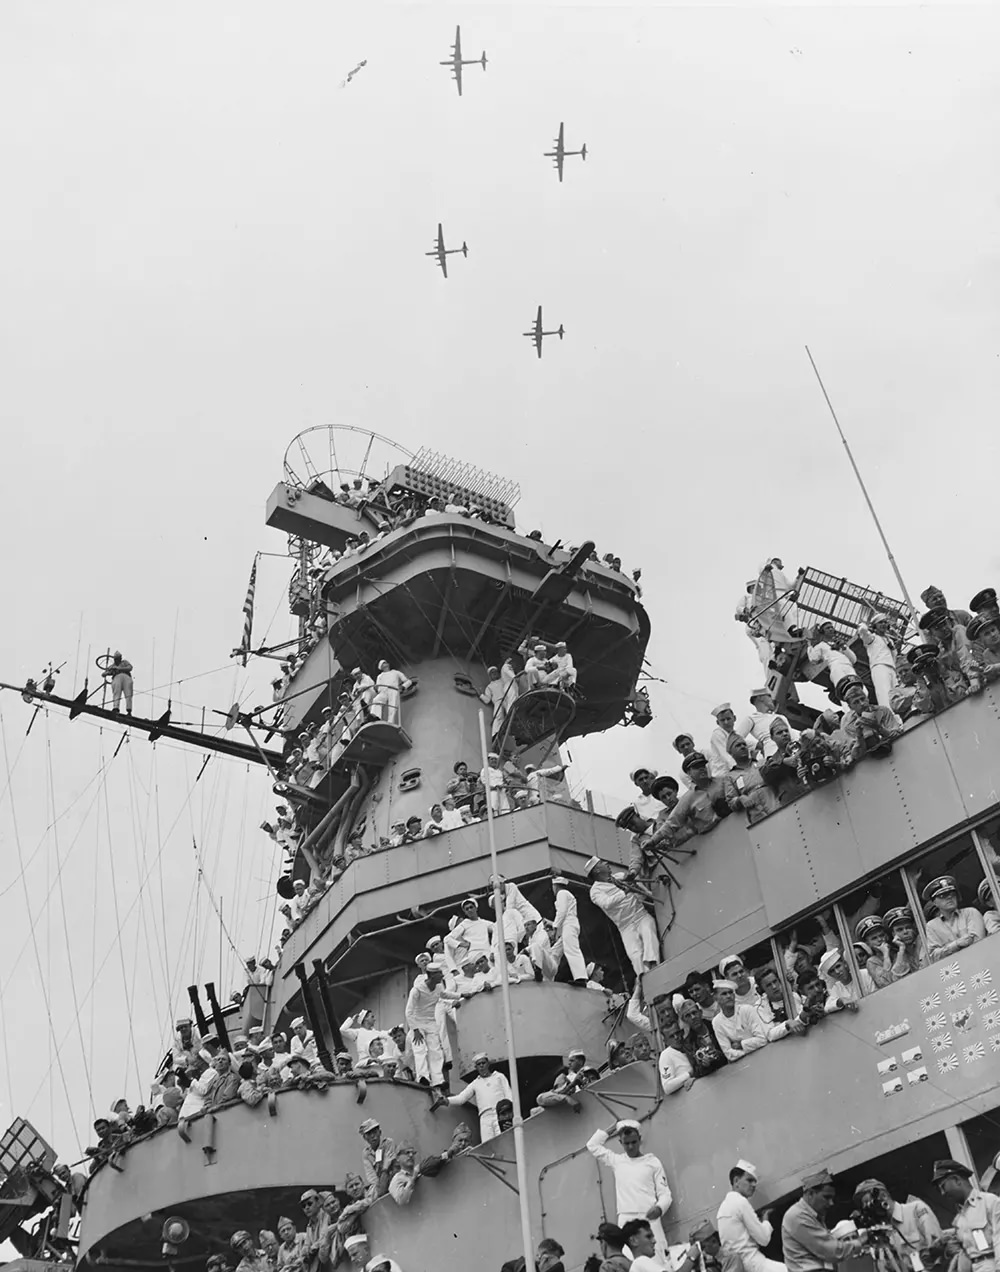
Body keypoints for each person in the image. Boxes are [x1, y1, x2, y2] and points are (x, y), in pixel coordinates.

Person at [587, 1120, 672, 1256]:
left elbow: (665, 1194)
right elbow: (592, 1145)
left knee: (658, 1258)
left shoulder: (652, 1162)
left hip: (649, 1218)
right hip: (626, 1220)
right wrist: (614, 1127)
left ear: (639, 1139)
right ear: (620, 1143)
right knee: (630, 1261)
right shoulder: (617, 1161)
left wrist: (659, 1208)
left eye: (634, 1142)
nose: (631, 1146)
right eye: (626, 1143)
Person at [781, 1168, 865, 1272]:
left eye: (832, 1198)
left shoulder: (813, 1216)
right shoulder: (797, 1216)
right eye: (826, 1197)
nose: (831, 1203)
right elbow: (831, 1251)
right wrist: (861, 1241)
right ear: (811, 1193)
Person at [585, 857, 659, 973]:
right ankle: (644, 977)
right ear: (597, 870)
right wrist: (625, 891)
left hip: (640, 915)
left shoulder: (619, 876)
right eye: (601, 863)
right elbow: (606, 903)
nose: (607, 863)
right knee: (635, 954)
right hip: (625, 926)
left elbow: (638, 888)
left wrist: (643, 891)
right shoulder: (595, 891)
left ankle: (654, 965)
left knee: (649, 932)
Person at [717, 1160, 785, 1272]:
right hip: (752, 1262)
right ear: (736, 1181)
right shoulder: (741, 1202)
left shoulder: (723, 1208)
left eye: (755, 1181)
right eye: (749, 1180)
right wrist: (766, 1221)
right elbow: (764, 1239)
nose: (754, 1185)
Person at [404, 958, 462, 1091]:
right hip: (417, 1023)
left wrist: (461, 995)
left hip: (431, 1022)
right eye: (439, 973)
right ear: (431, 975)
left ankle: (438, 1080)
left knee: (435, 1051)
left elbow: (445, 995)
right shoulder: (417, 990)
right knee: (420, 1050)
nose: (442, 975)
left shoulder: (439, 986)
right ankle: (422, 1077)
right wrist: (415, 1030)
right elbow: (409, 1012)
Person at [932, 1158, 1000, 1271]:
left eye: (943, 1186)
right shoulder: (959, 1220)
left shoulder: (989, 1203)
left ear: (956, 1180)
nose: (943, 1193)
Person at [852, 1178, 942, 1257]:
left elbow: (937, 1247)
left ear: (883, 1196)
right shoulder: (882, 1232)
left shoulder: (916, 1209)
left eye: (868, 1202)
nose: (868, 1210)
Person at [434, 1051, 511, 1139]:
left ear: (488, 1063)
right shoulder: (475, 1083)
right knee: (488, 1145)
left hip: (500, 1114)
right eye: (479, 1064)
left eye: (483, 1063)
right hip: (485, 1117)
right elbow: (461, 1098)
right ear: (476, 1067)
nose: (481, 1065)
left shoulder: (499, 1077)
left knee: (504, 1139)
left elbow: (509, 1096)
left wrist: (510, 1114)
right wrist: (446, 1100)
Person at [923, 875, 987, 961]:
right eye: (943, 896)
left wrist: (946, 950)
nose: (949, 897)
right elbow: (934, 956)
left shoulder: (971, 912)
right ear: (935, 902)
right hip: (954, 970)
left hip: (980, 961)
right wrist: (956, 944)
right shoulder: (931, 926)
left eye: (952, 894)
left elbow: (979, 941)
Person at [838, 678, 903, 759]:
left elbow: (898, 735)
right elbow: (855, 756)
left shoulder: (883, 711)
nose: (861, 704)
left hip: (896, 753)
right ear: (850, 707)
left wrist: (878, 727)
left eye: (862, 699)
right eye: (856, 702)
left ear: (867, 698)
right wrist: (859, 735)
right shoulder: (849, 725)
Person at [722, 736, 781, 823]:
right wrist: (740, 799)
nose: (742, 747)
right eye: (738, 745)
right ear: (731, 752)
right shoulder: (730, 777)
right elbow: (731, 801)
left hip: (774, 802)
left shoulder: (762, 763)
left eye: (744, 744)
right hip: (755, 812)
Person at [711, 980, 768, 1061]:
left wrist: (741, 1045)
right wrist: (748, 1048)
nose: (728, 996)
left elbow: (762, 1039)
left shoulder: (747, 1010)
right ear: (716, 998)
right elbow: (729, 1054)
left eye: (730, 992)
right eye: (724, 994)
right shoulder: (716, 1022)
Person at [735, 690, 792, 761]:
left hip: (790, 754)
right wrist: (756, 745)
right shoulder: (751, 719)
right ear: (760, 698)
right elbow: (735, 740)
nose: (772, 699)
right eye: (769, 696)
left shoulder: (781, 717)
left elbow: (793, 737)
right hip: (773, 758)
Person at [856, 614, 899, 709]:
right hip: (879, 667)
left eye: (885, 622)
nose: (883, 624)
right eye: (880, 622)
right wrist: (865, 624)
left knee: (895, 694)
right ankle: (890, 718)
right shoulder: (872, 638)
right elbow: (863, 631)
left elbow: (894, 656)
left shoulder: (889, 641)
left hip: (892, 668)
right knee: (884, 694)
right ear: (875, 626)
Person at [552, 876, 588, 985]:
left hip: (568, 924)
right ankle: (549, 975)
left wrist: (555, 927)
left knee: (572, 950)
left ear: (555, 886)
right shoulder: (566, 894)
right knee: (555, 951)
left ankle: (581, 978)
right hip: (567, 925)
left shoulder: (562, 893)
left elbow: (562, 911)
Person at [678, 998, 728, 1076]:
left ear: (700, 1013)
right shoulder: (688, 1043)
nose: (693, 1017)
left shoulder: (716, 1026)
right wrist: (705, 1065)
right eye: (688, 1016)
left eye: (694, 1013)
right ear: (685, 1020)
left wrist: (718, 1055)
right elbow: (696, 1070)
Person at [883, 906, 927, 979]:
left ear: (913, 928)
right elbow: (896, 978)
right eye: (900, 930)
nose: (905, 932)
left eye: (908, 927)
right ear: (894, 934)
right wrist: (902, 948)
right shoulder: (898, 954)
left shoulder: (923, 939)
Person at [358, 1117, 397, 1199]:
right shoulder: (366, 1153)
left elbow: (392, 1164)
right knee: (371, 1194)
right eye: (369, 1134)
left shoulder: (388, 1143)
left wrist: (384, 1169)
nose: (373, 1136)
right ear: (365, 1138)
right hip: (380, 1186)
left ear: (380, 1132)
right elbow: (372, 1178)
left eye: (375, 1132)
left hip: (394, 1180)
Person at [447, 897, 495, 961]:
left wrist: (493, 949)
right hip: (474, 954)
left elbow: (497, 929)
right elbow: (447, 939)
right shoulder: (464, 924)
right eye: (467, 909)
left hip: (487, 952)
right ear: (465, 912)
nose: (469, 910)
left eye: (471, 907)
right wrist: (461, 944)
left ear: (476, 908)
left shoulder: (484, 922)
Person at [657, 1020, 695, 1093]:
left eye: (677, 1033)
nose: (676, 1037)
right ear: (665, 1041)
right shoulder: (666, 1055)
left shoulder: (690, 1045)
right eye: (671, 1036)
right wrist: (689, 1074)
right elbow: (667, 1087)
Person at [371, 660, 411, 725]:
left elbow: (408, 681)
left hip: (393, 690)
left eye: (386, 662)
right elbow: (378, 688)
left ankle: (390, 723)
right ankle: (376, 717)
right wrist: (376, 688)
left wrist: (403, 687)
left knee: (392, 707)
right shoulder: (380, 676)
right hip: (383, 692)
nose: (385, 664)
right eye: (383, 663)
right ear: (381, 667)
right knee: (376, 700)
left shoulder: (395, 672)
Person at [707, 704, 739, 778]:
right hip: (722, 776)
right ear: (718, 723)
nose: (726, 722)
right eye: (722, 720)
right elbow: (726, 755)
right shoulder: (717, 734)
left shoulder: (735, 734)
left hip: (733, 773)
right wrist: (740, 769)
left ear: (734, 718)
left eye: (728, 719)